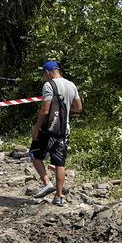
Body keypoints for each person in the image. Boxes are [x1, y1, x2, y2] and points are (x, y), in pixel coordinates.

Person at [29, 61, 82, 207]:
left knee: (34, 153)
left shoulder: (49, 85)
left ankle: (46, 182)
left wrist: (36, 128)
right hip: (64, 129)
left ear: (47, 72)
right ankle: (58, 197)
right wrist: (65, 110)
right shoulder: (71, 85)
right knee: (60, 163)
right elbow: (78, 107)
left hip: (48, 129)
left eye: (43, 74)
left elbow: (45, 110)